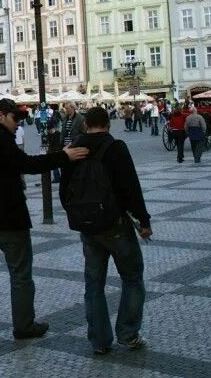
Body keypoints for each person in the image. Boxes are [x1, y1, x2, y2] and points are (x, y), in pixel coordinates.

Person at [0, 98, 88, 349]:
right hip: (9, 220)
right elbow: (27, 165)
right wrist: (63, 157)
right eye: (15, 118)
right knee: (20, 275)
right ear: (0, 116)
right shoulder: (2, 141)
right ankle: (24, 326)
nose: (18, 124)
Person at [60, 106, 152, 355]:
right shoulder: (115, 148)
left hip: (88, 228)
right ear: (107, 125)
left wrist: (78, 214)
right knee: (132, 278)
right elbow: (131, 187)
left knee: (94, 284)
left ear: (85, 124)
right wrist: (143, 221)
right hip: (115, 225)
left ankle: (99, 341)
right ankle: (128, 334)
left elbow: (64, 189)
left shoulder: (73, 150)